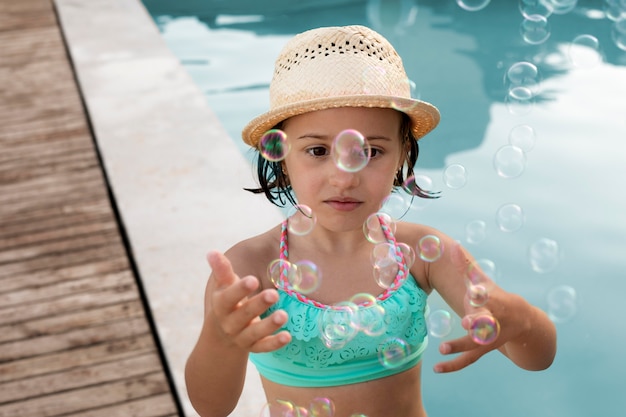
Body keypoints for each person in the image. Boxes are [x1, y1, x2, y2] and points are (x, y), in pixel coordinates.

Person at [185, 25, 557, 417]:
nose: (345, 175)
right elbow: (211, 407)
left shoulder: (424, 254)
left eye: (372, 151)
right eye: (317, 150)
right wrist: (220, 340)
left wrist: (524, 322)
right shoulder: (249, 270)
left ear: (402, 157)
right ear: (280, 154)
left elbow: (539, 357)